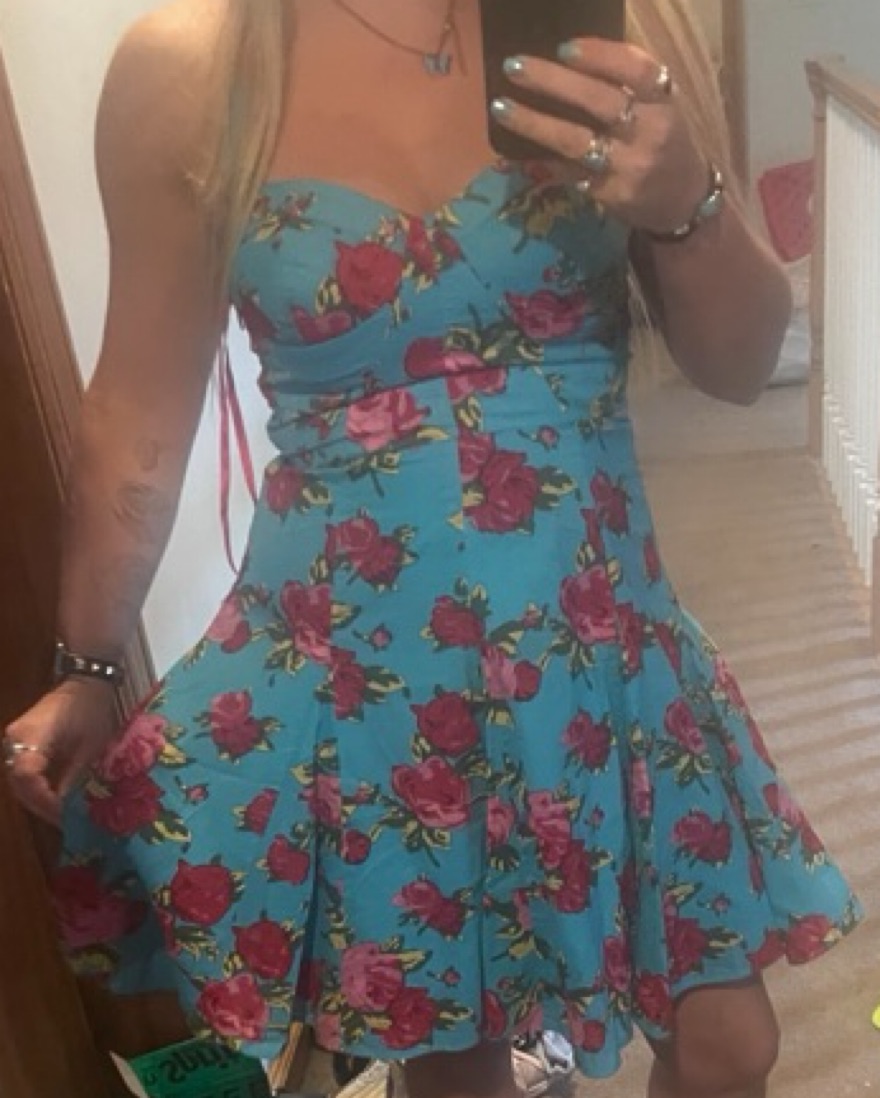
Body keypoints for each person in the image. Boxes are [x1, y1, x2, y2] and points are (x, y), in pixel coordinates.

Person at [3, 1, 861, 1096]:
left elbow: (741, 366)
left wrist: (685, 204)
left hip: (603, 649)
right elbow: (136, 415)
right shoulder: (192, 67)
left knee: (729, 1044)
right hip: (364, 682)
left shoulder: (617, 22)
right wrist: (85, 665)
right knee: (457, 1065)